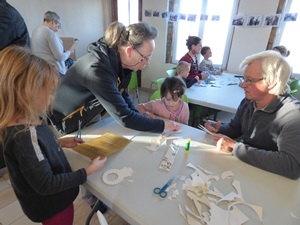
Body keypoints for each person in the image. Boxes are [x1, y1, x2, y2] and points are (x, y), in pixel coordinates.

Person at [0, 46, 107, 225]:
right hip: (53, 207)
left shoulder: (23, 123)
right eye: (49, 93)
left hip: (49, 204)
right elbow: (47, 184)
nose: (52, 98)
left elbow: (33, 155)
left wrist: (59, 142)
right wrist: (88, 171)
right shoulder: (25, 136)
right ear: (26, 93)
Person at [48, 21, 180, 136]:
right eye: (145, 58)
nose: (147, 62)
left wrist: (141, 116)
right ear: (129, 51)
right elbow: (125, 117)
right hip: (64, 122)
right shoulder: (97, 70)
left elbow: (123, 95)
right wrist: (161, 125)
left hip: (88, 113)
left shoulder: (123, 64)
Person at [204, 50, 300, 180]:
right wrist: (219, 128)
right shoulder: (249, 101)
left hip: (270, 181)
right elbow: (235, 129)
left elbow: (291, 166)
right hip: (245, 171)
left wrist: (236, 148)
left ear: (271, 83)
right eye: (244, 78)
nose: (242, 85)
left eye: (249, 80)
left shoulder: (293, 115)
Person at [31, 11, 74, 76]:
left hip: (39, 69)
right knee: (72, 63)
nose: (57, 30)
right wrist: (69, 52)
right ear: (53, 22)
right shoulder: (50, 33)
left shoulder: (35, 31)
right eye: (58, 26)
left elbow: (44, 49)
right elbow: (60, 57)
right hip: (54, 71)